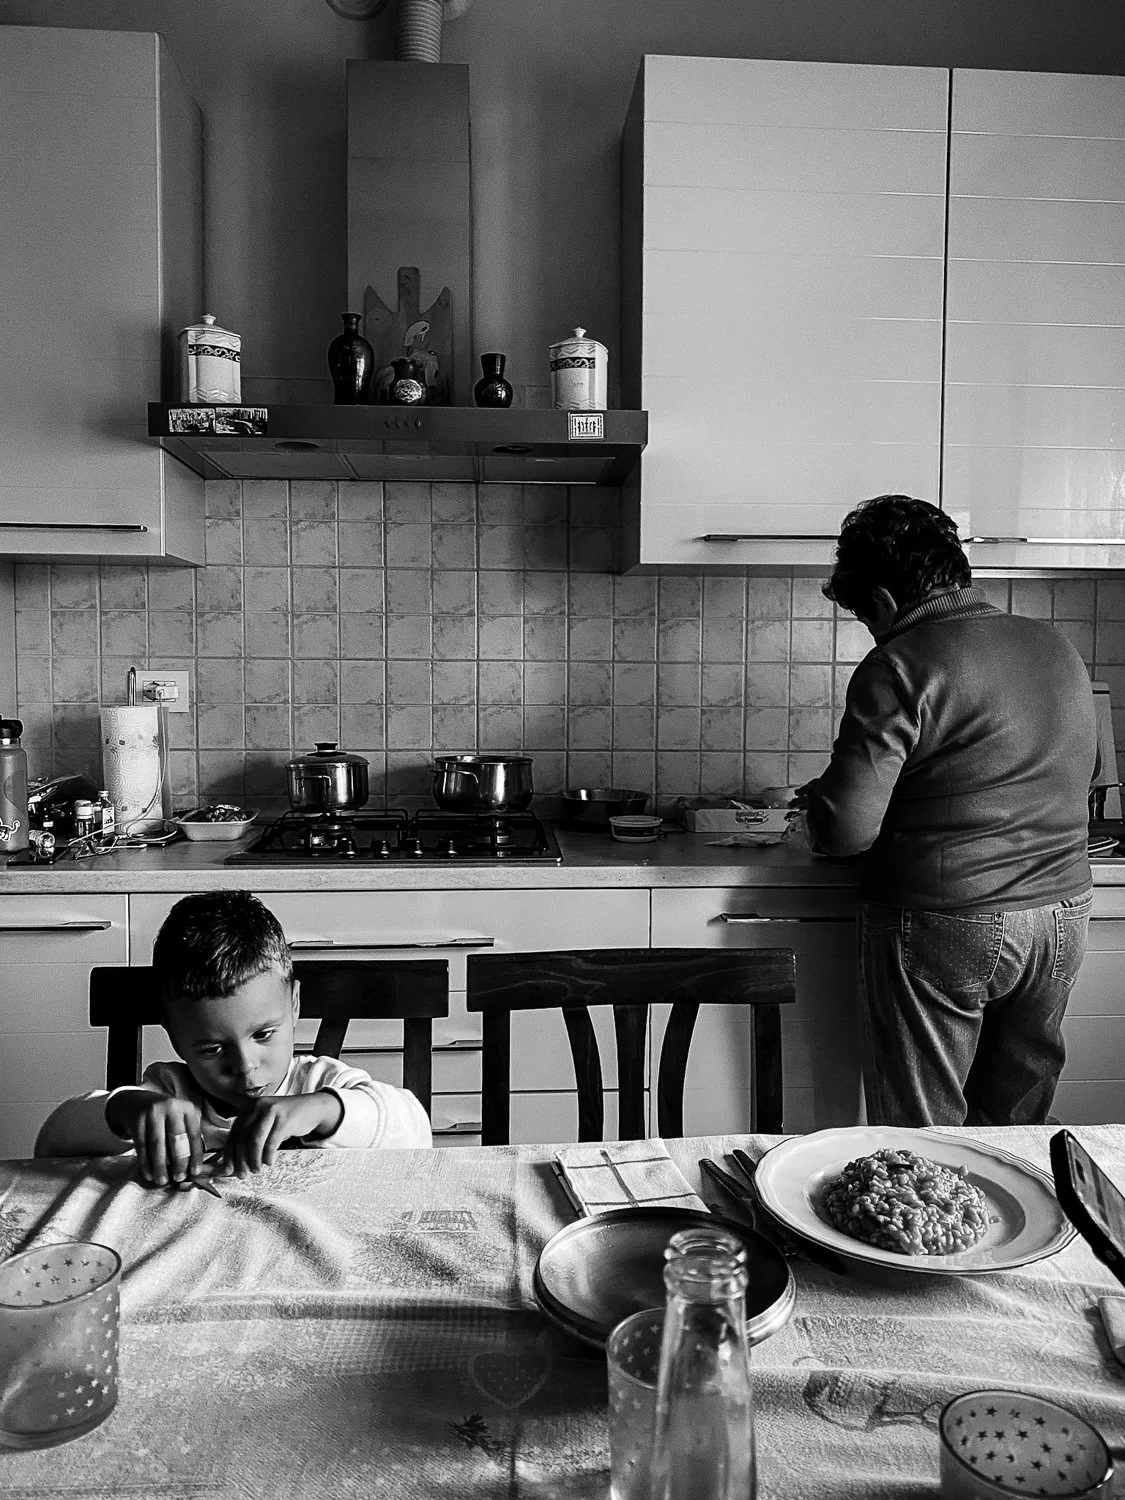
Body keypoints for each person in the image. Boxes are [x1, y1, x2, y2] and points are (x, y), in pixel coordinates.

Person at [800, 494, 1097, 1128]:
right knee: (1014, 1129)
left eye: (866, 617)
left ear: (883, 602)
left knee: (925, 1133)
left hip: (947, 917)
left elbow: (847, 832)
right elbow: (1066, 771)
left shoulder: (899, 662)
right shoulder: (1054, 644)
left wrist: (819, 804)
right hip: (1061, 917)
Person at [35, 890, 432, 1181]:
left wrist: (323, 1111)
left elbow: (416, 1133)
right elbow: (50, 1146)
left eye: (264, 1034)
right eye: (212, 1048)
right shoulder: (168, 1092)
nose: (244, 1066)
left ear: (294, 1005)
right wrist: (123, 1111)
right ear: (174, 1036)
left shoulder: (321, 1083)